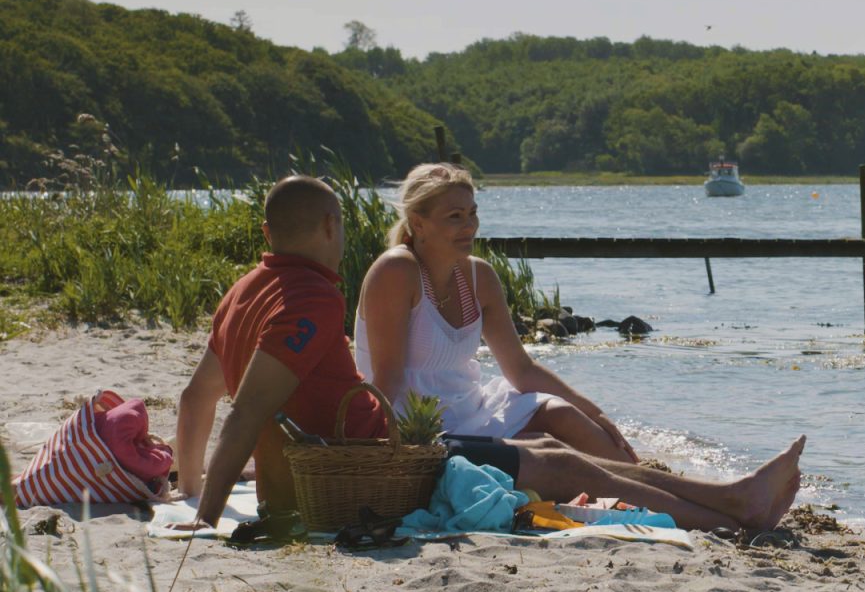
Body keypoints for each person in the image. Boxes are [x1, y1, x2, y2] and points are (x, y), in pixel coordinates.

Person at [174, 175, 806, 532]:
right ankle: (730, 507)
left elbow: (198, 397)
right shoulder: (312, 298)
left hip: (379, 449)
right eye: (454, 215)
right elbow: (249, 410)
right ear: (333, 228)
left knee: (561, 451)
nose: (468, 225)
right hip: (381, 460)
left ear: (267, 234)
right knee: (566, 467)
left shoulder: (244, 291)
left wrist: (190, 490)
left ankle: (728, 498)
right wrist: (204, 518)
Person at [354, 163, 636, 463]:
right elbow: (388, 379)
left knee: (563, 414)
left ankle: (645, 482)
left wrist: (595, 413)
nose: (470, 226)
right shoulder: (396, 270)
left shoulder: (480, 277)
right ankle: (637, 490)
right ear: (418, 223)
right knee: (550, 455)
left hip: (475, 412)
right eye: (455, 217)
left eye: (472, 213)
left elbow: (522, 370)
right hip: (421, 434)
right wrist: (366, 452)